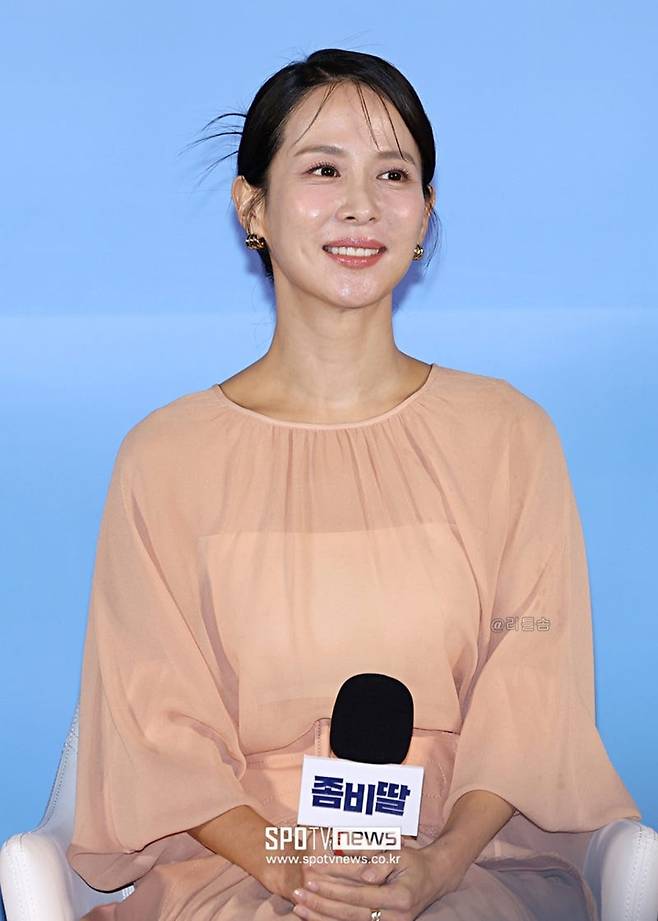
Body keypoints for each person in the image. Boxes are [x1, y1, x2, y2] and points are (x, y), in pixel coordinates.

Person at [66, 48, 641, 920]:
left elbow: (531, 700)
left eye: (394, 174)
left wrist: (436, 866)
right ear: (251, 205)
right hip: (241, 870)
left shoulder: (509, 437)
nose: (362, 204)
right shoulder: (164, 459)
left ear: (425, 212)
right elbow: (156, 730)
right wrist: (294, 865)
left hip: (461, 866)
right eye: (324, 169)